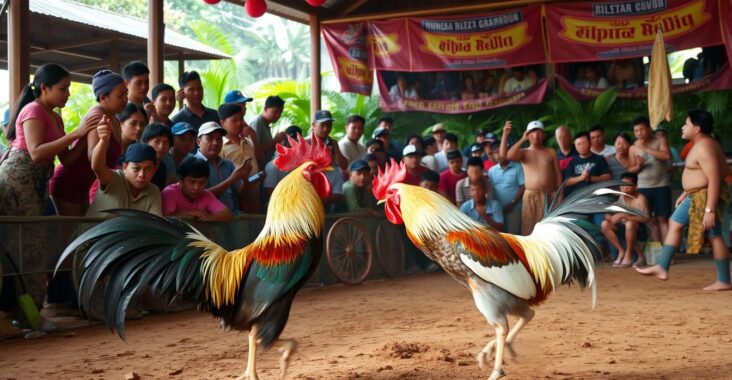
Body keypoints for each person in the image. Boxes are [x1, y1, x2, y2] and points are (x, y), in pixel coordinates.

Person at [0, 64, 95, 312]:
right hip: (19, 182)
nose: (68, 94)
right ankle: (26, 314)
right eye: (63, 89)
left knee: (40, 244)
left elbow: (67, 160)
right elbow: (35, 152)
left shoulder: (53, 115)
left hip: (37, 184)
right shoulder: (33, 110)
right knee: (28, 245)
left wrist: (87, 135)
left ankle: (31, 312)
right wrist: (77, 132)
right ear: (44, 88)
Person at [637, 109, 732, 291]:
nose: (682, 127)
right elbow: (705, 175)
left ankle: (724, 280)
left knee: (714, 234)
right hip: (697, 195)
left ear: (696, 128)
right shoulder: (703, 144)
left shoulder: (705, 147)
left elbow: (714, 179)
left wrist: (709, 210)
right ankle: (662, 267)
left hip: (704, 197)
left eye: (686, 124)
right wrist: (686, 192)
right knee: (676, 223)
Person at [49, 69, 127, 216]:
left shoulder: (115, 119)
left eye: (126, 94)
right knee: (71, 236)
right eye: (120, 95)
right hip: (69, 182)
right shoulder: (97, 117)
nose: (125, 99)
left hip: (84, 185)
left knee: (84, 233)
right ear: (103, 97)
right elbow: (93, 157)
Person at [86, 119, 162, 218]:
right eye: (136, 168)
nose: (142, 175)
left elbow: (155, 224)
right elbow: (97, 166)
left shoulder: (153, 191)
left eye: (148, 169)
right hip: (95, 232)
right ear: (125, 167)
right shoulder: (114, 179)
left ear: (154, 170)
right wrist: (103, 140)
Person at [501, 120, 562, 235]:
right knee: (529, 229)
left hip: (548, 195)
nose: (535, 135)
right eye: (532, 132)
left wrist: (560, 194)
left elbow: (558, 174)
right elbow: (507, 156)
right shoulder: (524, 153)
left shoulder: (551, 152)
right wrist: (521, 139)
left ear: (543, 135)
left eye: (538, 132)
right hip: (530, 196)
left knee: (549, 229)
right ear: (528, 135)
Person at [629, 116, 672, 243]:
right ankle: (657, 252)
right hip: (643, 187)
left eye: (642, 129)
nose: (639, 133)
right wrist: (638, 166)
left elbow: (666, 155)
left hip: (662, 185)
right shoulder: (632, 147)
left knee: (663, 219)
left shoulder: (660, 139)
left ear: (649, 129)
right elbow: (630, 170)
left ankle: (667, 251)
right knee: (652, 220)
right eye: (636, 131)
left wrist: (645, 149)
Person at [194, 121, 252, 214]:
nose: (215, 143)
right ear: (198, 141)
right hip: (207, 220)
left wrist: (245, 179)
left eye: (219, 139)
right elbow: (198, 196)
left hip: (232, 216)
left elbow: (242, 196)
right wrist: (231, 179)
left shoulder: (228, 164)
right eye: (209, 138)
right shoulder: (192, 164)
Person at [218, 103, 263, 214]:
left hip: (255, 192)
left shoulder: (248, 141)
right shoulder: (220, 147)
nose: (240, 123)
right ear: (222, 123)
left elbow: (261, 159)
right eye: (234, 120)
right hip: (235, 195)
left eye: (241, 118)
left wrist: (254, 138)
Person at [161, 156, 234, 223]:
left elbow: (228, 215)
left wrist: (211, 216)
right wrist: (194, 212)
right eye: (192, 182)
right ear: (180, 179)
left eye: (202, 183)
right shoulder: (170, 192)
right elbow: (166, 217)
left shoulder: (205, 195)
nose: (196, 188)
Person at [601, 172, 649, 267]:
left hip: (641, 232)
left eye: (627, 185)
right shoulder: (621, 197)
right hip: (626, 229)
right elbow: (608, 212)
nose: (624, 187)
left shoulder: (640, 198)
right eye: (622, 185)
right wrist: (609, 216)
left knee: (630, 223)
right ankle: (621, 251)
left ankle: (629, 255)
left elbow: (646, 219)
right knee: (605, 224)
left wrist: (624, 216)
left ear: (635, 186)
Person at [308, 111, 346, 211]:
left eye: (329, 125)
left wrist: (335, 148)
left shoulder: (333, 143)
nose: (326, 129)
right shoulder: (306, 142)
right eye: (322, 125)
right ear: (313, 125)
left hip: (329, 187)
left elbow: (344, 165)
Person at [488, 145, 525, 235]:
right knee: (500, 236)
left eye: (500, 151)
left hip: (514, 208)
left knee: (514, 235)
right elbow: (490, 190)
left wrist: (512, 202)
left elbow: (523, 186)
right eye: (496, 153)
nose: (499, 155)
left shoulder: (517, 167)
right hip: (497, 210)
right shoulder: (491, 170)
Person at [563, 132, 611, 196]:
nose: (581, 146)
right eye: (578, 144)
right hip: (577, 198)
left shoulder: (599, 159)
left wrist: (590, 178)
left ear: (590, 143)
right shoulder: (572, 162)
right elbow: (567, 182)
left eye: (583, 143)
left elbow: (607, 178)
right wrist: (581, 177)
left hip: (598, 196)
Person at [141, 122, 176, 190]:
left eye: (166, 142)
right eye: (157, 141)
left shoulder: (162, 167)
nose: (161, 147)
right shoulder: (136, 162)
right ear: (146, 142)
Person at [251, 95, 285, 163]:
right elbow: (254, 151)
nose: (278, 115)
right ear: (266, 108)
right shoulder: (257, 123)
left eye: (280, 113)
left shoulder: (265, 124)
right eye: (275, 112)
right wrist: (274, 141)